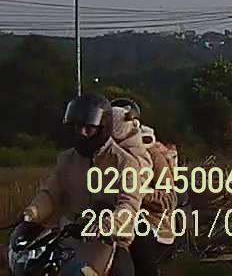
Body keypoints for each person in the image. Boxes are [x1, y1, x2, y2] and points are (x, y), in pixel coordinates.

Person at [22, 93, 150, 276]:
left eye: (88, 128)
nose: (82, 132)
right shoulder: (66, 159)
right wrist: (32, 212)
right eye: (78, 127)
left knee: (124, 271)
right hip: (70, 237)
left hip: (110, 241)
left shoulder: (125, 162)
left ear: (103, 127)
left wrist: (107, 225)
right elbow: (50, 193)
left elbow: (129, 205)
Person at [111, 99, 177, 276]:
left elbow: (169, 200)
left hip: (153, 225)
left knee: (138, 236)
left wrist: (136, 192)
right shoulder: (105, 155)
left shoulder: (153, 154)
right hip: (114, 219)